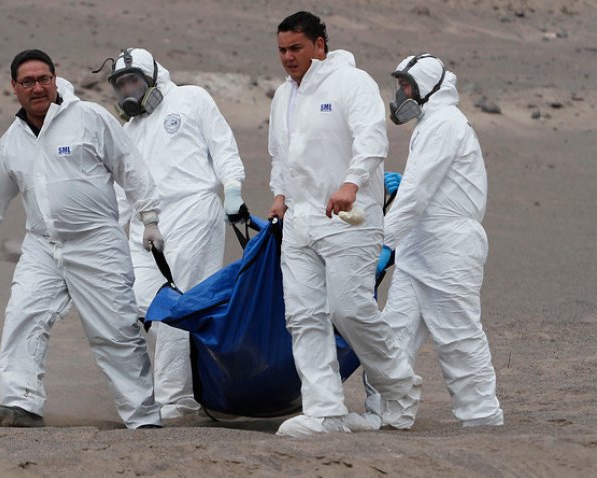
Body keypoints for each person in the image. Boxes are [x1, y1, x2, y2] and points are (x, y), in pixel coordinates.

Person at [0, 49, 164, 429]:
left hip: (96, 242)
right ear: (14, 88)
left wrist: (149, 218)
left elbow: (130, 167)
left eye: (44, 79)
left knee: (115, 330)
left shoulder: (89, 118)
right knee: (23, 315)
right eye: (28, 82)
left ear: (55, 79)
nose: (38, 87)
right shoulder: (13, 140)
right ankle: (21, 403)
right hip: (42, 245)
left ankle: (144, 417)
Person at [266, 11, 421, 438]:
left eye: (296, 48)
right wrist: (280, 197)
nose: (288, 57)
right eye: (281, 50)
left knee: (349, 309)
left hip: (349, 218)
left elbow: (372, 138)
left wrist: (351, 183)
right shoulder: (283, 96)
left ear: (320, 45)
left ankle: (400, 389)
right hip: (300, 221)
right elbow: (280, 155)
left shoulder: (352, 83)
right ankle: (326, 411)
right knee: (303, 316)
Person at [105, 48, 247, 421]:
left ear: (152, 78)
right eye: (120, 84)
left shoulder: (191, 99)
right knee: (127, 306)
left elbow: (223, 146)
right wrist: (101, 232)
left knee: (174, 312)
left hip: (194, 215)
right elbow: (122, 192)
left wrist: (232, 188)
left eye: (132, 80)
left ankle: (174, 401)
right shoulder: (126, 132)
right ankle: (193, 381)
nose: (127, 89)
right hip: (146, 227)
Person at [380, 54, 503, 427]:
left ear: (426, 86)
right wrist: (405, 189)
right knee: (392, 334)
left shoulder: (444, 123)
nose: (401, 94)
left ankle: (482, 417)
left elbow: (418, 196)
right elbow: (427, 187)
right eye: (400, 86)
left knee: (457, 337)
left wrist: (384, 243)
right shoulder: (432, 123)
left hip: (448, 247)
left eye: (406, 86)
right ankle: (391, 414)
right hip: (419, 245)